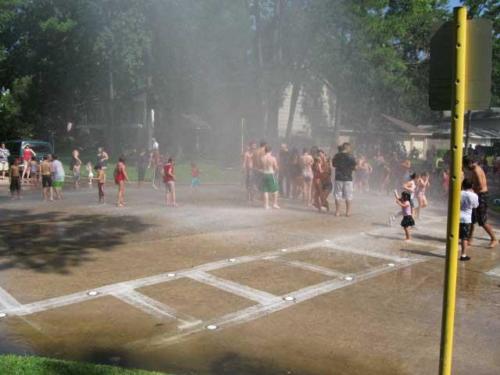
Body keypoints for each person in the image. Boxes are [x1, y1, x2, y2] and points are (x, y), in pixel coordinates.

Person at [463, 156, 497, 248]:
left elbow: (481, 186)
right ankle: (470, 238)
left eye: (465, 166)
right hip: (477, 195)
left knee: (482, 220)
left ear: (468, 164)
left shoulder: (476, 171)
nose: (465, 168)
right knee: (472, 218)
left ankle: (494, 238)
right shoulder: (474, 168)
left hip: (481, 196)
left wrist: (470, 189)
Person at [332, 143, 357, 216]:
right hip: (348, 178)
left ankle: (337, 212)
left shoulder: (337, 156)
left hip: (338, 177)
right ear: (347, 148)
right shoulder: (351, 157)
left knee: (337, 195)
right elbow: (354, 167)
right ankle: (348, 212)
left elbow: (334, 164)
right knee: (348, 195)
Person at [459, 179, 479, 261]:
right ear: (471, 186)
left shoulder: (459, 193)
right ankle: (463, 255)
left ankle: (450, 252)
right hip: (466, 219)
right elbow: (475, 206)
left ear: (462, 185)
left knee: (455, 236)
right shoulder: (474, 195)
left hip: (456, 217)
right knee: (464, 238)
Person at [261, 145, 280, 209]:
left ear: (265, 151)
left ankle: (266, 205)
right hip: (270, 174)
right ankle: (275, 204)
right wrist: (277, 169)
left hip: (264, 174)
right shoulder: (273, 158)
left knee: (265, 190)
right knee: (275, 189)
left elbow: (261, 166)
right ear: (270, 151)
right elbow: (276, 167)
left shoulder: (262, 158)